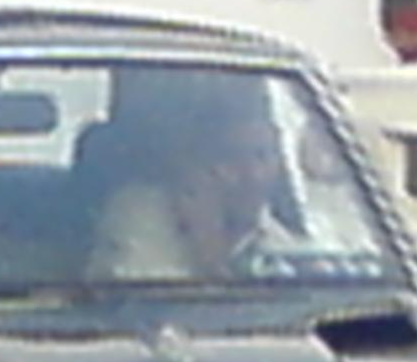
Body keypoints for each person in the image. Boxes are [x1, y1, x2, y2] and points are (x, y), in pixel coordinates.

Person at [84, 95, 303, 281]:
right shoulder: (138, 215)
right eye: (229, 158)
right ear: (193, 164)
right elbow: (144, 314)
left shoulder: (280, 243)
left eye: (263, 156)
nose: (253, 175)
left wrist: (212, 254)